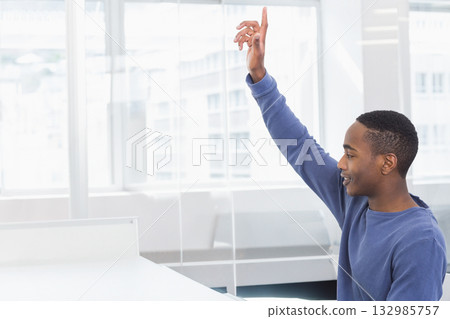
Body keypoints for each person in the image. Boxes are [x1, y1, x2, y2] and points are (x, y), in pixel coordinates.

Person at [234, 7, 447, 301]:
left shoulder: (420, 241)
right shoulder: (355, 202)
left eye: (351, 155)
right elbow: (299, 145)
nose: (341, 163)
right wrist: (259, 76)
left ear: (387, 163)